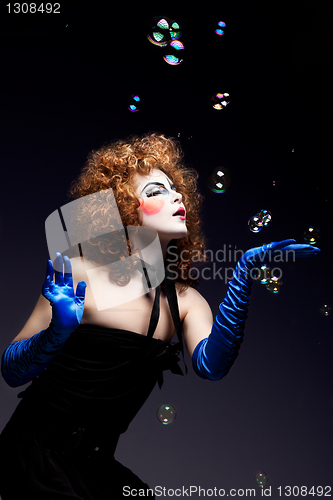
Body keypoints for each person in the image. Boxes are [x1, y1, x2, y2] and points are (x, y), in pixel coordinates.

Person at [0, 133, 320, 499]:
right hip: (32, 457)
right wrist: (57, 332)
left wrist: (244, 271)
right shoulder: (78, 273)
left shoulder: (184, 301)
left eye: (175, 189)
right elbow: (12, 372)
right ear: (125, 210)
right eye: (156, 191)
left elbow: (212, 367)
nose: (178, 196)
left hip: (95, 467)